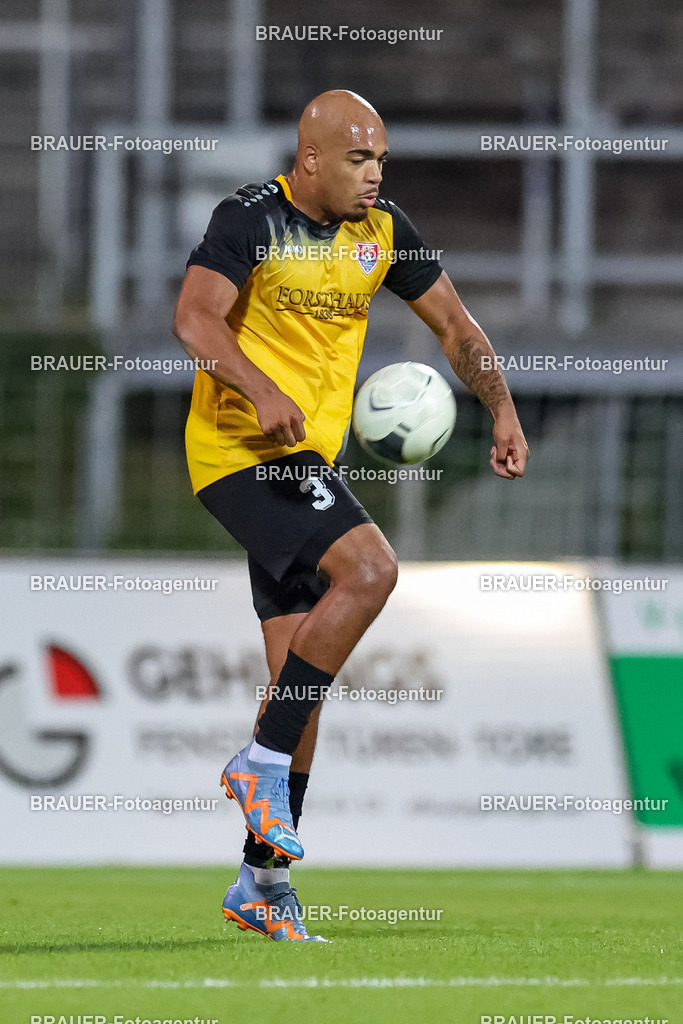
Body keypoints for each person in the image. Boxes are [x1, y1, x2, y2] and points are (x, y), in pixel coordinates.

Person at [172, 89, 529, 942]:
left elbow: (455, 326)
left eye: (381, 161)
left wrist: (502, 407)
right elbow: (193, 319)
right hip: (242, 453)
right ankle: (256, 765)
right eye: (359, 160)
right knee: (371, 570)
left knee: (299, 683)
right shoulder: (251, 217)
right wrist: (258, 389)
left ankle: (261, 883)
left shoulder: (383, 230)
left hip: (307, 460)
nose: (375, 176)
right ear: (310, 160)